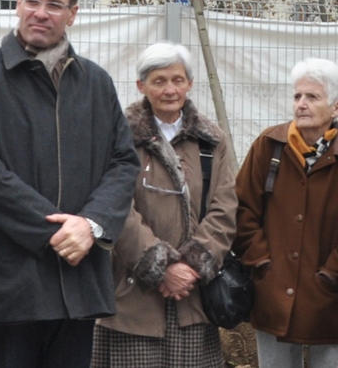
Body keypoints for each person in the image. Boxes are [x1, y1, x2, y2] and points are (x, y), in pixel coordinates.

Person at [0, 0, 140, 368]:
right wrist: (54, 230)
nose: (40, 12)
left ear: (73, 14)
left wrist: (90, 225)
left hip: (79, 280)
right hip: (13, 284)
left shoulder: (96, 83)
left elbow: (123, 162)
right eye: (32, 0)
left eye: (54, 5)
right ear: (18, 3)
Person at [92, 42, 237, 367]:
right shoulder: (118, 137)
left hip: (193, 296)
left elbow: (224, 208)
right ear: (141, 86)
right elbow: (115, 207)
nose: (170, 89)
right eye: (159, 81)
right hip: (133, 298)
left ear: (189, 83)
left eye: (177, 79)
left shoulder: (211, 140)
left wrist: (190, 267)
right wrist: (160, 266)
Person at [234, 58, 338, 368]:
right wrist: (261, 262)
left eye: (312, 97)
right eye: (297, 96)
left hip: (332, 301)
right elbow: (241, 208)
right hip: (273, 297)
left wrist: (334, 274)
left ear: (336, 107)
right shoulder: (269, 145)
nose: (301, 104)